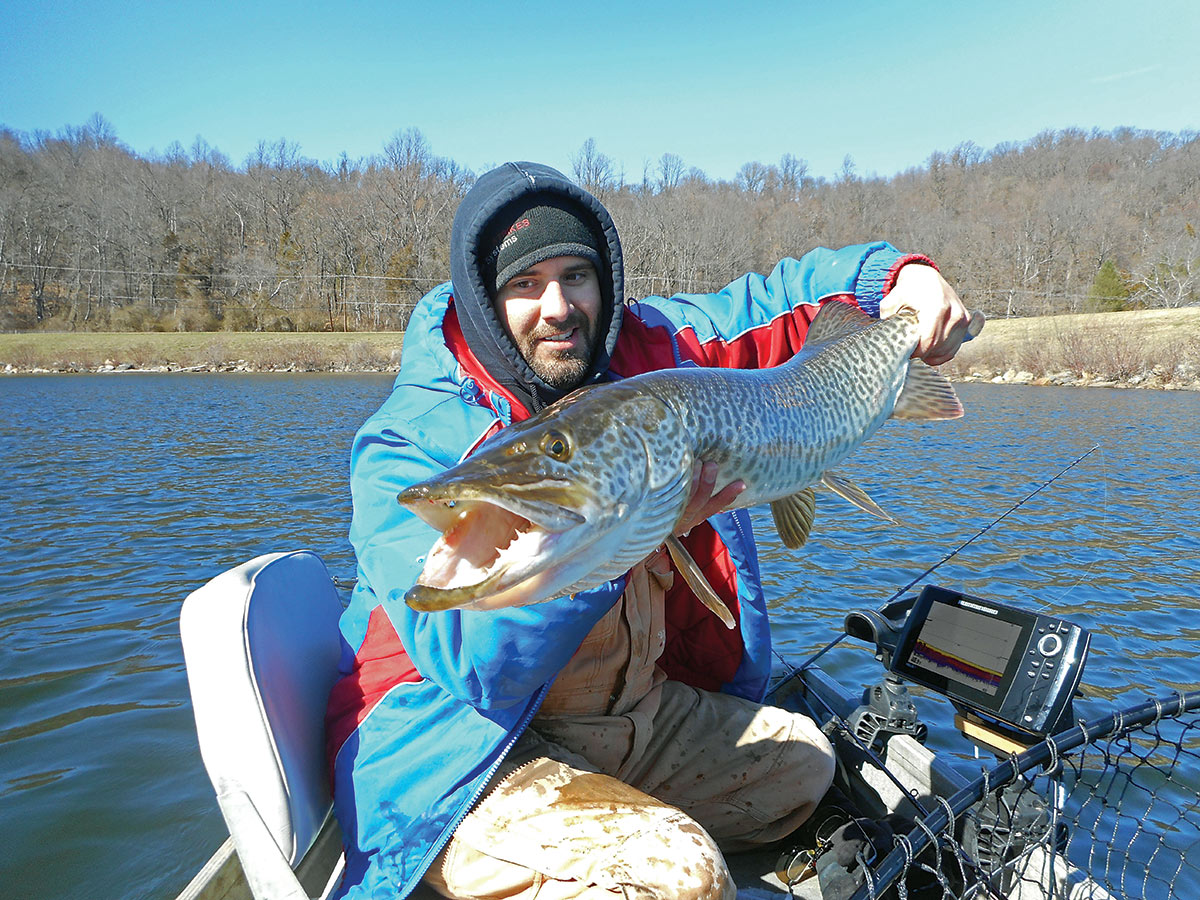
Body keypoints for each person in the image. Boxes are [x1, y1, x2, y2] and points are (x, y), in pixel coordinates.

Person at [325, 161, 975, 900]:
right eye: (525, 285)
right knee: (679, 875)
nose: (558, 306)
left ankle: (614, 824)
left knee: (804, 765)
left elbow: (778, 302)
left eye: (577, 276)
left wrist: (898, 281)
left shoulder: (650, 354)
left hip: (611, 723)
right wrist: (611, 545)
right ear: (484, 298)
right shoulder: (406, 445)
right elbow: (478, 667)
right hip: (454, 755)